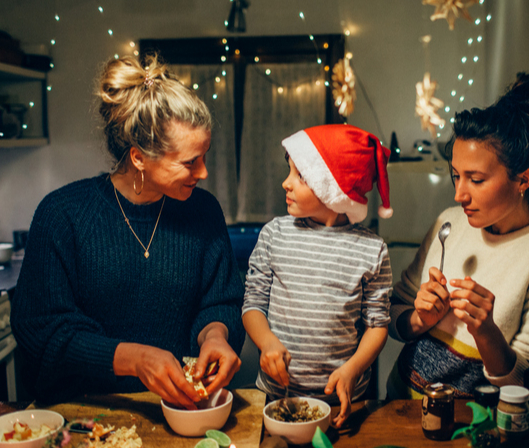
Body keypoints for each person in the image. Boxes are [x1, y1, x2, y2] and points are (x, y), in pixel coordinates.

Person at [10, 54, 245, 408]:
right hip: (84, 412)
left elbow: (221, 300)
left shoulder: (203, 210)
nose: (204, 173)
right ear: (138, 157)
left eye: (205, 156)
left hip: (177, 411)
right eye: (189, 162)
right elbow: (41, 329)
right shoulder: (62, 215)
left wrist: (216, 335)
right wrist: (134, 359)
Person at [386, 72, 529, 399]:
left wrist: (486, 333)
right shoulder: (448, 223)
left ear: (523, 180)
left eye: (476, 180)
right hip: (400, 405)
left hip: (474, 427)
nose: (459, 195)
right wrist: (419, 318)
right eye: (456, 176)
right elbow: (394, 313)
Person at [242, 124, 394, 427]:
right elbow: (252, 304)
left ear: (332, 188)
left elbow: (377, 325)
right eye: (289, 172)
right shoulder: (274, 234)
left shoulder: (372, 249)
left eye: (300, 176)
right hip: (276, 396)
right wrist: (267, 343)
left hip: (342, 402)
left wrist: (352, 370)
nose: (286, 183)